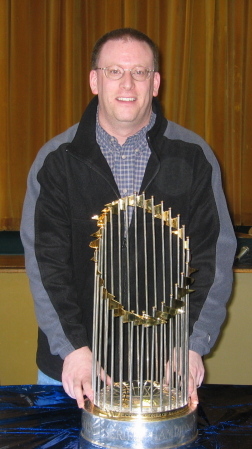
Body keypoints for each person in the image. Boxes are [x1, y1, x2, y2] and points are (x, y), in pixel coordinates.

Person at [20, 28, 236, 409]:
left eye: (139, 72)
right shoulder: (56, 160)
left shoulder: (194, 156)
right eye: (114, 71)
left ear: (155, 83)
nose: (127, 84)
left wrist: (192, 344)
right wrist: (73, 349)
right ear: (94, 80)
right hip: (72, 370)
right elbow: (46, 264)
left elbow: (213, 258)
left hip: (164, 369)